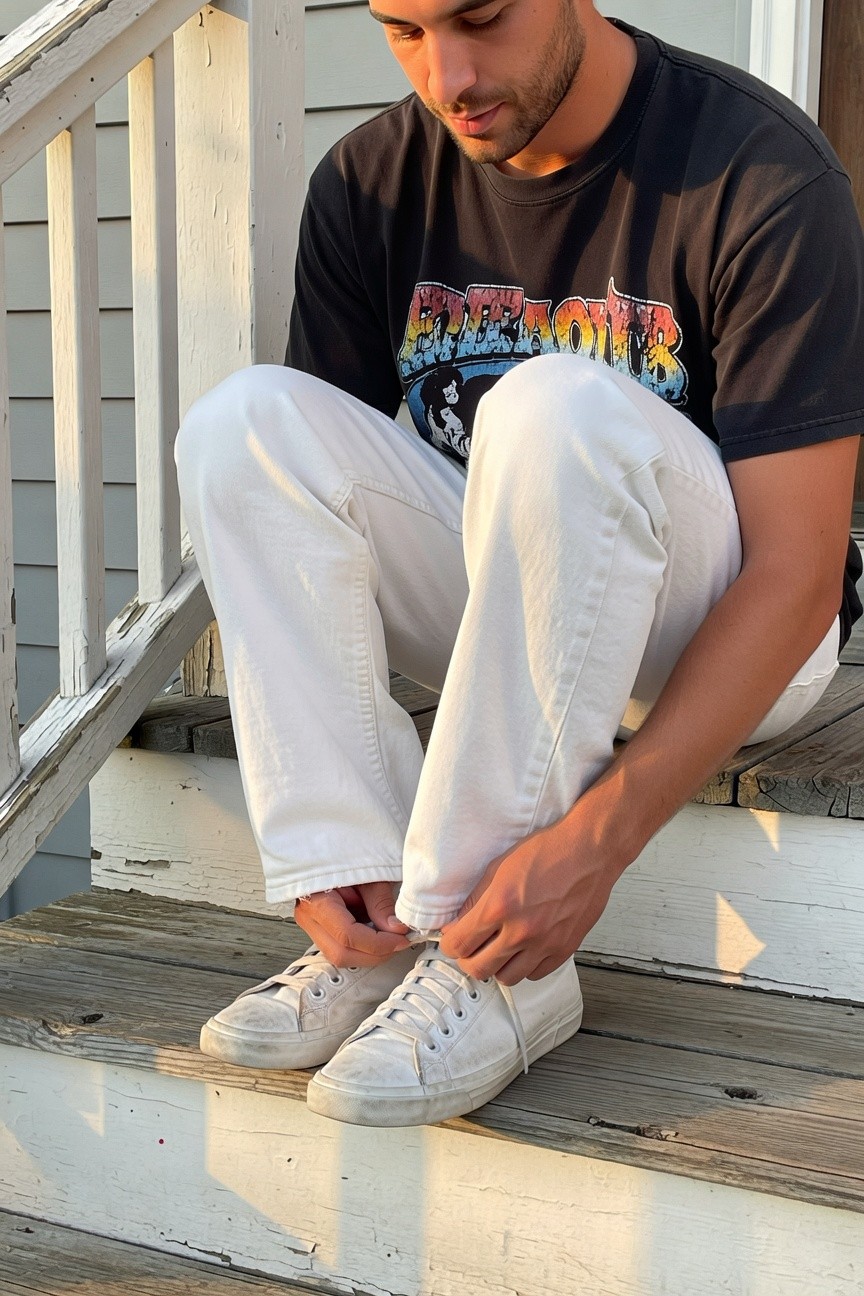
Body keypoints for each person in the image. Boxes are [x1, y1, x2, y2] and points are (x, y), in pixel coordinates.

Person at [174, 0, 864, 1127]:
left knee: (555, 405)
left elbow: (796, 577)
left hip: (732, 625)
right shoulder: (373, 180)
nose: (448, 76)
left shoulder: (755, 168)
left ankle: (498, 967)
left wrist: (599, 843)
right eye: (402, 31)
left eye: (480, 18)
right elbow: (324, 529)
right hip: (526, 598)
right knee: (243, 423)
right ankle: (374, 915)